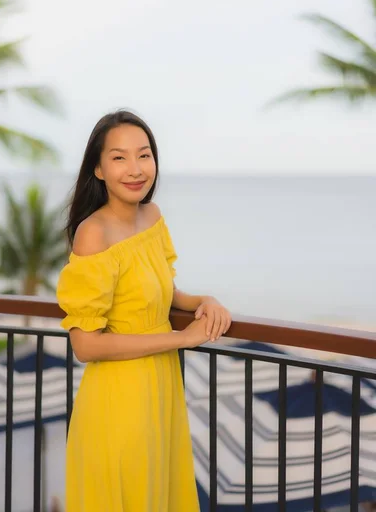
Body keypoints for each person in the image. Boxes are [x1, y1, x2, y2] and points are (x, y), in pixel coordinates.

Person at [56, 110, 232, 512]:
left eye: (144, 155)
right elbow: (85, 345)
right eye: (119, 158)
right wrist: (181, 338)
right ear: (98, 169)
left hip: (162, 392)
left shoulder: (151, 217)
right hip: (118, 399)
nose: (135, 169)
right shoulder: (93, 233)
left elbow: (165, 293)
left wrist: (204, 301)